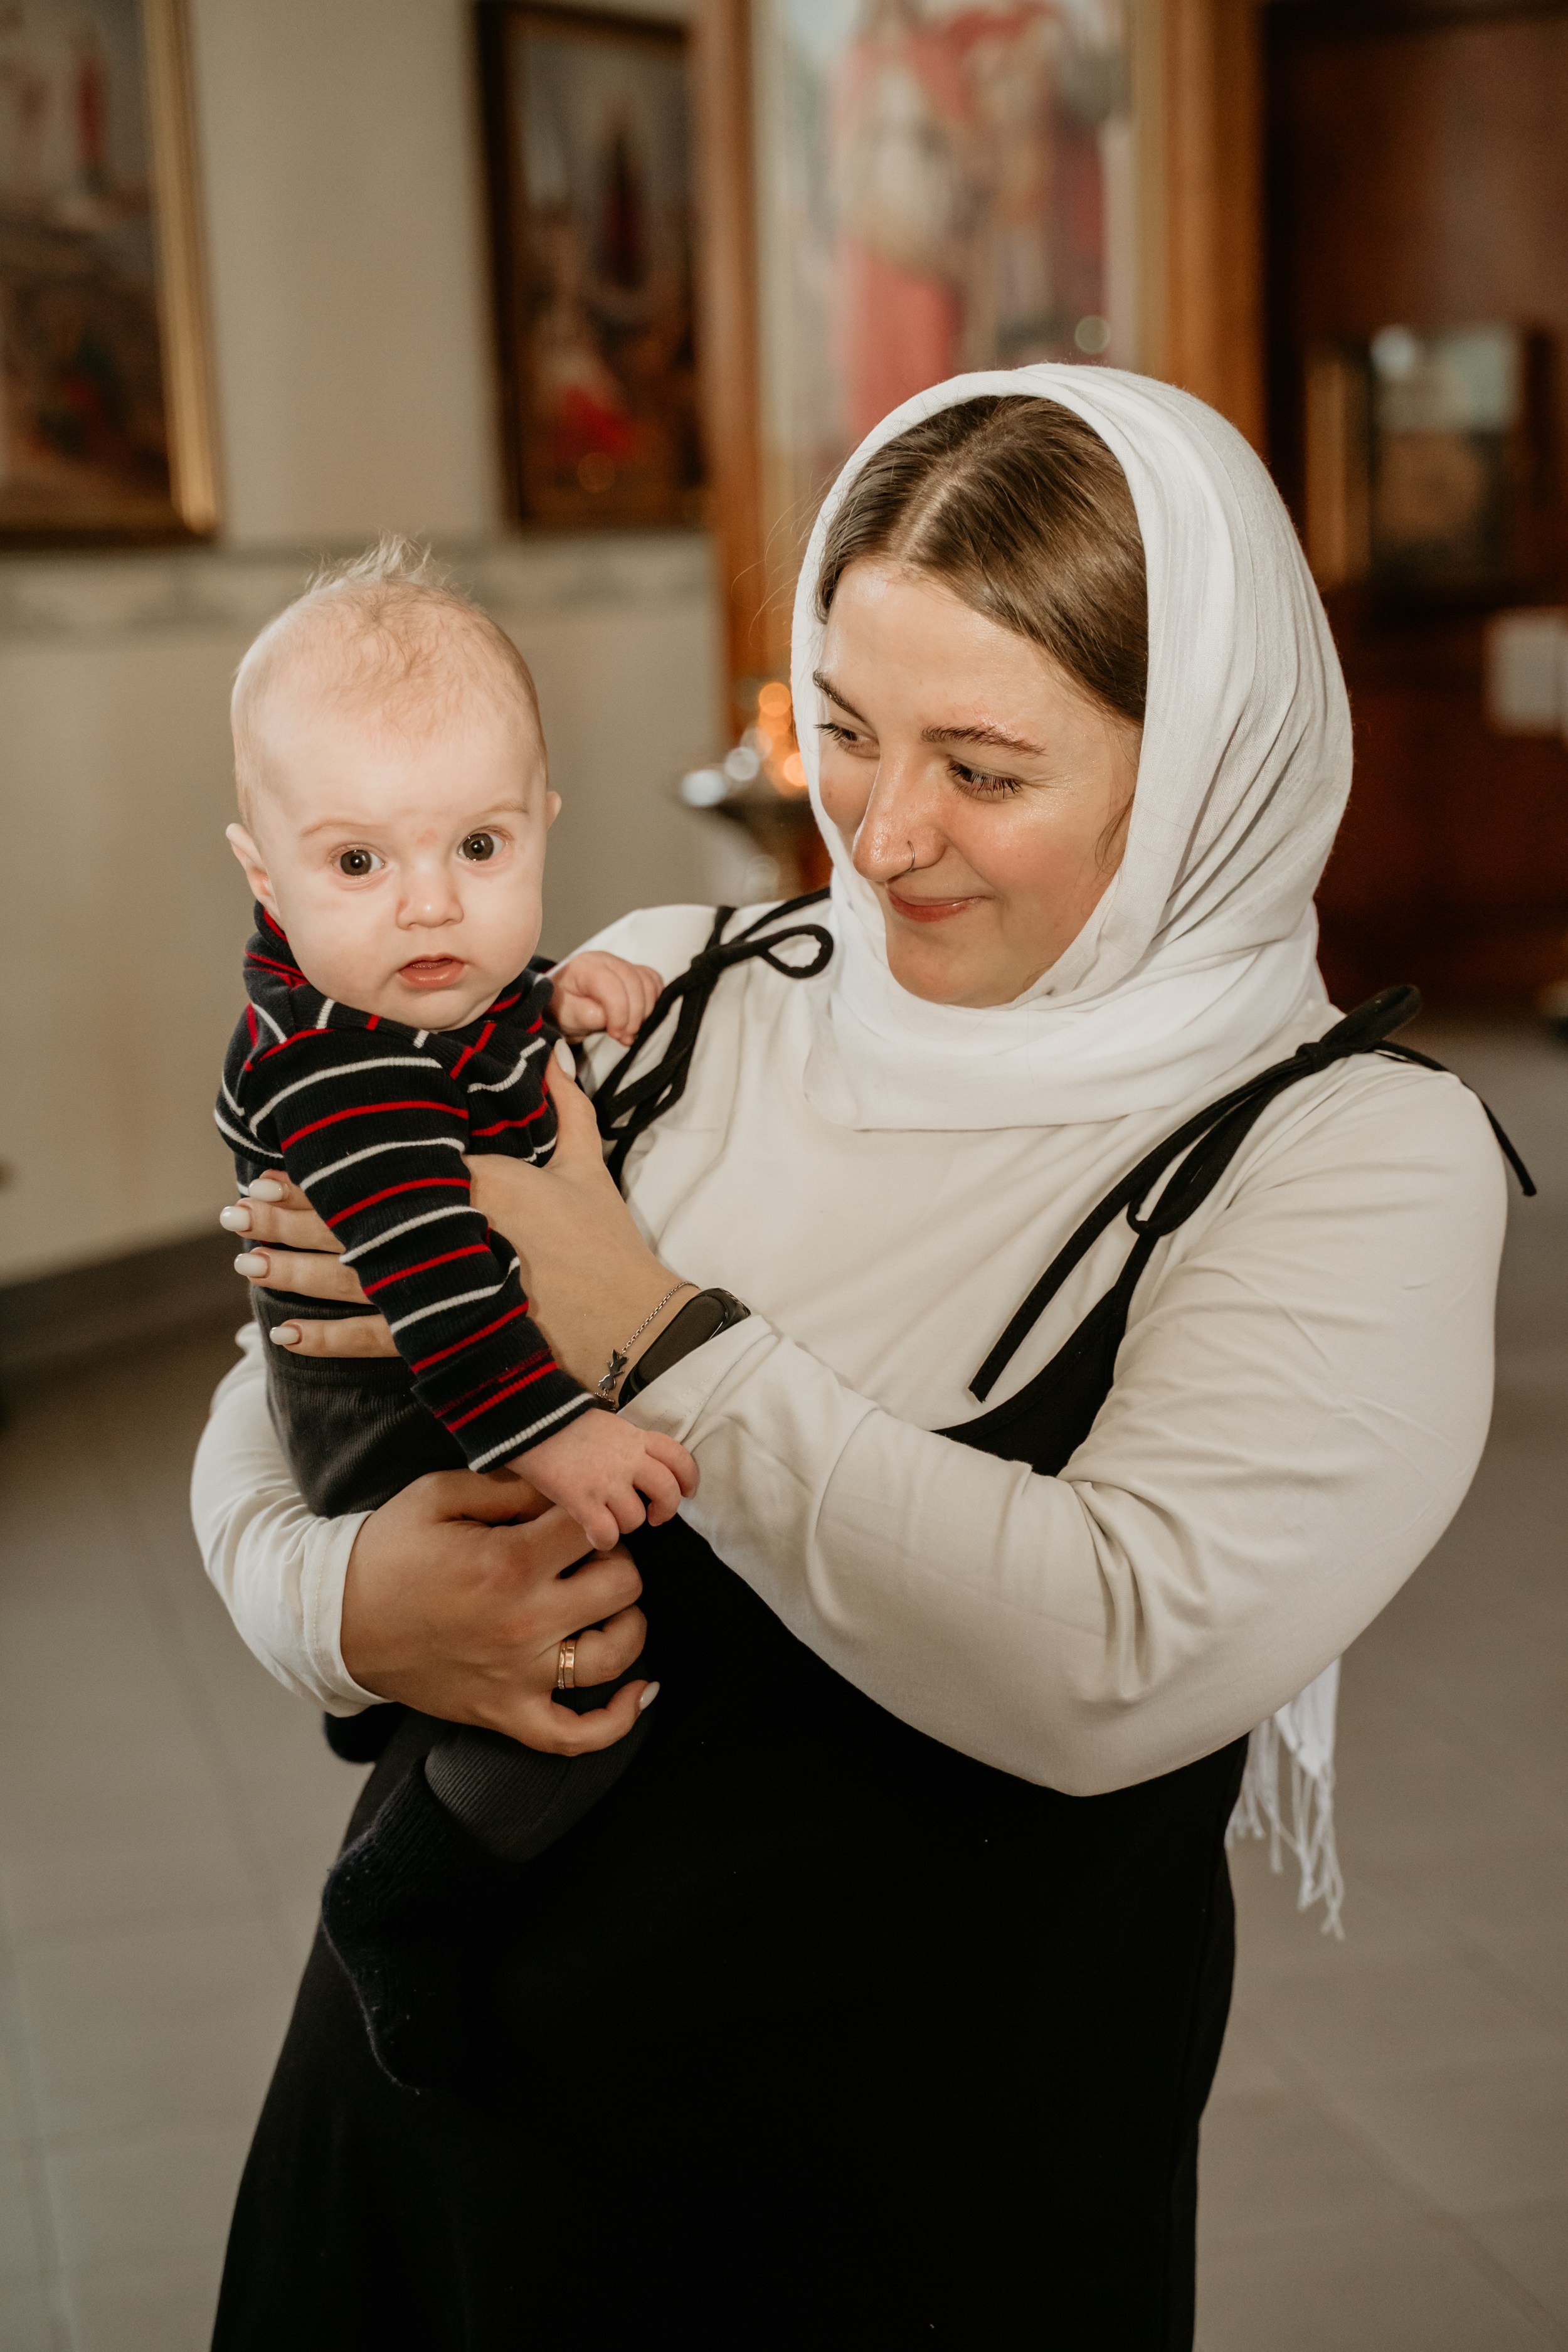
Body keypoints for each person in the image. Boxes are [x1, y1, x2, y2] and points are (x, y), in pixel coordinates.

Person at [193, 373, 1512, 2348]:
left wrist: (644, 1324)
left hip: (908, 2215)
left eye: (984, 766)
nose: (882, 836)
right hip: (430, 2143)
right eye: (837, 729)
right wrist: (351, 1604)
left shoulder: (1347, 1152)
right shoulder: (672, 982)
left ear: (1205, 766)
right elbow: (276, 1384)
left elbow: (1106, 1650)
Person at [215, 539, 697, 2083]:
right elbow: (429, 1267)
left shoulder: (419, 981)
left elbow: (478, 1024)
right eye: (359, 864)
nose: (431, 906)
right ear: (264, 872)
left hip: (460, 1365)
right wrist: (554, 1431)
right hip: (401, 1409)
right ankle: (402, 1892)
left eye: (481, 850)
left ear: (542, 823)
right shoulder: (333, 1059)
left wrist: (553, 993)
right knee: (576, 1665)